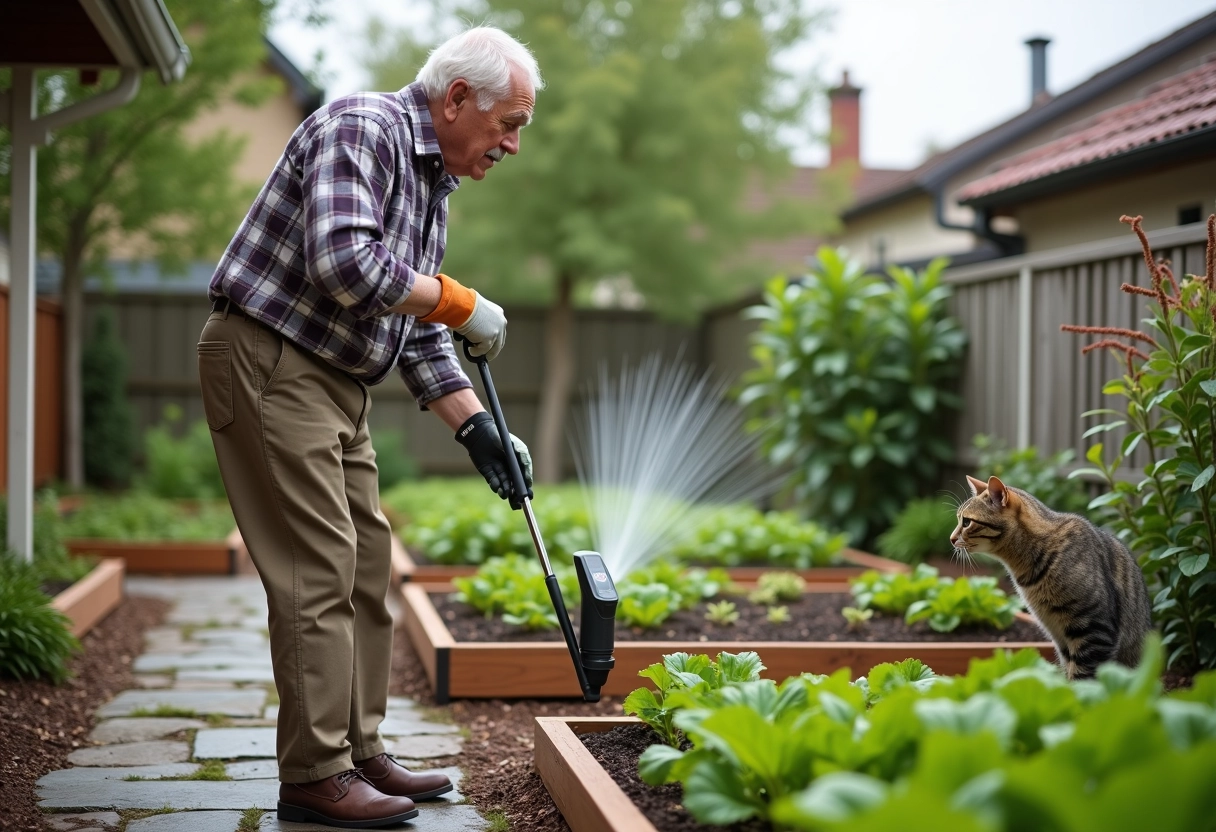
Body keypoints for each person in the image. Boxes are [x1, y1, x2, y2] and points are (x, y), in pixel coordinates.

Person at [197, 27, 539, 829]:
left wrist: (478, 428)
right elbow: (346, 263)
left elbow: (413, 328)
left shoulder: (429, 185)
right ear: (456, 99)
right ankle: (314, 774)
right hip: (271, 357)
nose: (513, 145)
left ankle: (357, 749)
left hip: (335, 379)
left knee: (368, 560)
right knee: (318, 565)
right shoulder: (364, 127)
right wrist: (458, 299)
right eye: (508, 123)